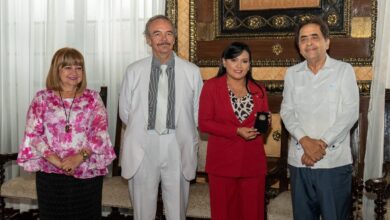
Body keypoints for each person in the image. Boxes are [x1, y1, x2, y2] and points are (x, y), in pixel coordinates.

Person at [119, 15, 203, 220]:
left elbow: (197, 112)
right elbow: (125, 112)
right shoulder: (133, 70)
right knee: (142, 210)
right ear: (148, 39)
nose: (164, 39)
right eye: (157, 34)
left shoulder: (192, 71)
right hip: (143, 144)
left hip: (178, 143)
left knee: (177, 210)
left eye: (168, 33)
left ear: (174, 38)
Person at [17, 47, 116, 219]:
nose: (74, 72)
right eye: (68, 67)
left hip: (87, 171)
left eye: (79, 67)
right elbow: (33, 135)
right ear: (57, 70)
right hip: (50, 173)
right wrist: (59, 162)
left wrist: (78, 158)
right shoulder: (42, 98)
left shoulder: (93, 98)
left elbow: (99, 133)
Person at [280, 17, 359, 220]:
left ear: (327, 42)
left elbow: (349, 113)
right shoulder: (292, 74)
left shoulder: (343, 70)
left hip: (333, 162)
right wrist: (305, 142)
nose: (309, 43)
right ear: (299, 47)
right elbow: (287, 112)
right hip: (300, 161)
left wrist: (320, 144)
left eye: (314, 37)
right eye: (303, 39)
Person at [198, 42, 270, 220]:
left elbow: (263, 125)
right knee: (224, 214)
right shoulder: (211, 87)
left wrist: (265, 124)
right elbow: (204, 123)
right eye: (234, 60)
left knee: (253, 214)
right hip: (222, 163)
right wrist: (236, 130)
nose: (239, 66)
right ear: (224, 62)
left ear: (250, 64)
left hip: (253, 163)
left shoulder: (259, 89)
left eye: (245, 61)